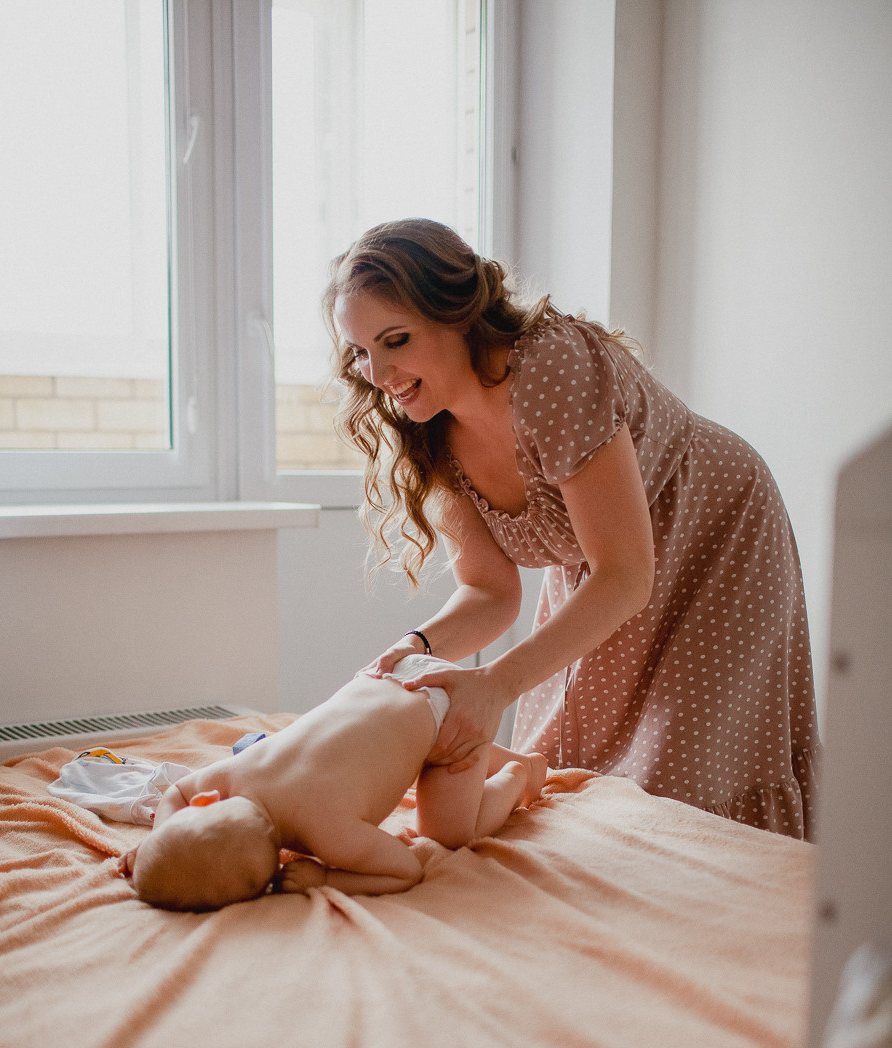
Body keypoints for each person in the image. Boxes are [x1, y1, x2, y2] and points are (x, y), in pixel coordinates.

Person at [323, 218, 820, 840]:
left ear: (459, 313)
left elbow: (624, 574)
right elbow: (490, 593)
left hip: (715, 529)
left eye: (395, 339)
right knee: (571, 767)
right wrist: (406, 654)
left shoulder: (550, 368)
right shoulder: (429, 431)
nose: (378, 373)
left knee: (680, 776)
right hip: (607, 566)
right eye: (362, 352)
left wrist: (496, 683)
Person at [118, 656, 548, 911]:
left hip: (453, 712)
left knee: (449, 835)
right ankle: (493, 759)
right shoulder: (229, 778)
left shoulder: (329, 834)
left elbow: (406, 870)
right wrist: (165, 836)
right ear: (208, 803)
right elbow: (176, 794)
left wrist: (327, 881)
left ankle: (518, 776)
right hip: (396, 670)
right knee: (417, 750)